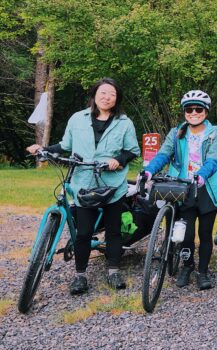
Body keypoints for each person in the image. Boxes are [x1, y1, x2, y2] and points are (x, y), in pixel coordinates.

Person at [26, 78, 140, 294]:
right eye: (103, 93)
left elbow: (133, 150)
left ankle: (114, 272)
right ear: (94, 94)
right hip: (83, 183)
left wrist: (119, 160)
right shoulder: (77, 119)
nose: (107, 97)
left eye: (112, 94)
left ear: (117, 99)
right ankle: (80, 276)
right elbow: (65, 146)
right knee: (83, 232)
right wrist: (44, 149)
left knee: (114, 231)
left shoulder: (124, 123)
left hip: (112, 184)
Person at [139, 90, 217, 290]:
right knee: (185, 234)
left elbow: (213, 160)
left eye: (198, 109)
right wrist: (149, 171)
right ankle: (187, 266)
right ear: (184, 111)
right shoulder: (176, 132)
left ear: (206, 111)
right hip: (182, 189)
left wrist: (201, 175)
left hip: (206, 189)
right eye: (189, 109)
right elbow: (163, 155)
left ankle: (202, 272)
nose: (194, 112)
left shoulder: (214, 134)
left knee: (205, 233)